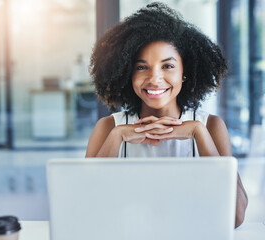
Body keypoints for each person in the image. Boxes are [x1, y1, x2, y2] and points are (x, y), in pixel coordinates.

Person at [85, 2, 248, 228]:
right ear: (127, 73)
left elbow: (235, 217)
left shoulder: (210, 126)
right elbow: (85, 208)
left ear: (185, 73)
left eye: (167, 66)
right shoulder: (108, 128)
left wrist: (197, 132)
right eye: (142, 67)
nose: (154, 79)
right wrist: (117, 136)